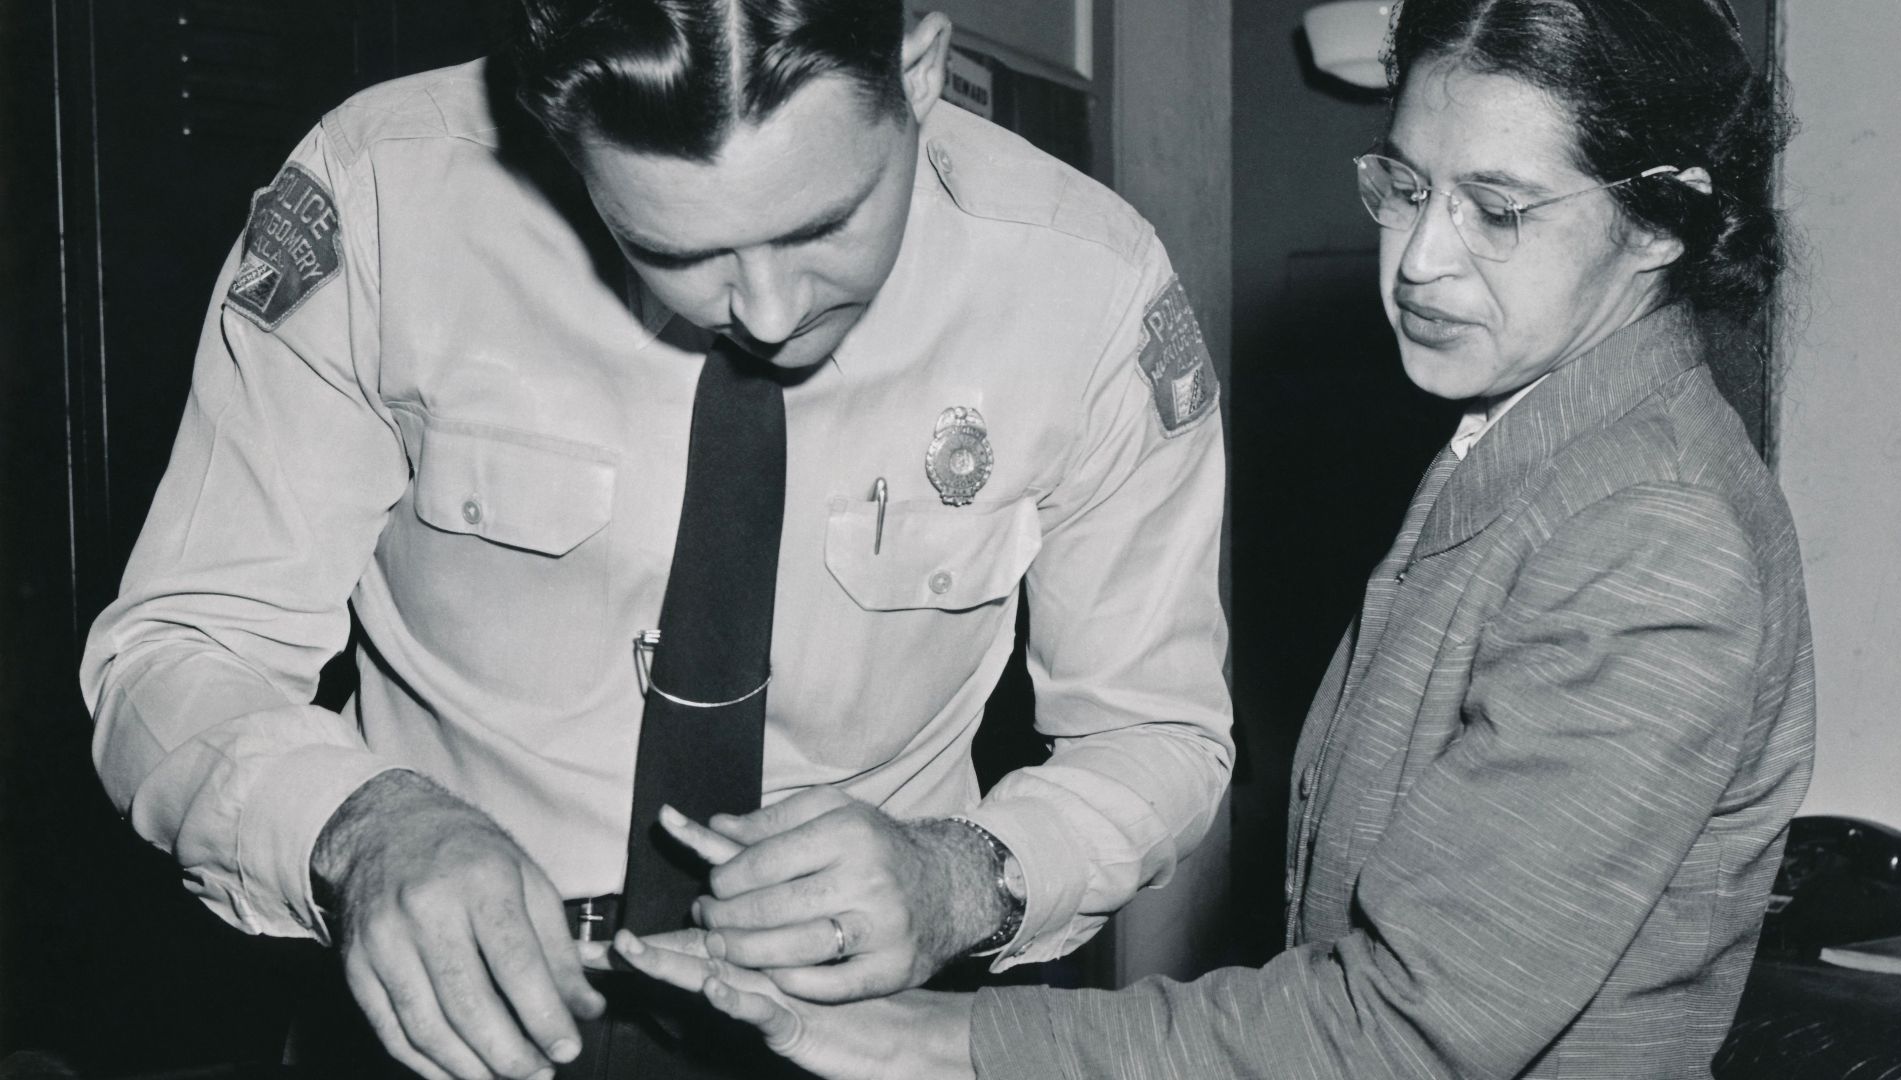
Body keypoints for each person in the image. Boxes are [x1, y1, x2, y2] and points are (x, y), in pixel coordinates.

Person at [619, 1, 1817, 1077]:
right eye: (1404, 187)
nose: (1420, 257)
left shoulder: (1652, 538)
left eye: (1497, 210)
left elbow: (1404, 1032)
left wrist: (948, 1038)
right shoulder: (1537, 445)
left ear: (1663, 223)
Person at [78, 3, 1234, 1078]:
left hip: (865, 1033)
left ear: (920, 74)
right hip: (444, 1017)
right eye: (677, 251)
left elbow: (1160, 731)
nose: (771, 313)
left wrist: (963, 874)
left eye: (828, 223)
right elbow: (176, 654)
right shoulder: (384, 197)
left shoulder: (1085, 288)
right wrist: (362, 827)